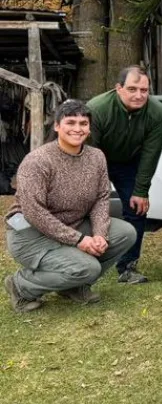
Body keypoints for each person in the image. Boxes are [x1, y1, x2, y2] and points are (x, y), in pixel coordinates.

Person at [4, 100, 137, 313]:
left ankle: (73, 286)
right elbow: (34, 212)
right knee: (88, 267)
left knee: (126, 233)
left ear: (89, 128)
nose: (78, 128)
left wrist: (100, 234)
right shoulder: (37, 161)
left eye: (83, 123)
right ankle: (21, 286)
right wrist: (79, 240)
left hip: (72, 225)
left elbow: (101, 198)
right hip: (31, 234)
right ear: (57, 126)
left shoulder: (96, 157)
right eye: (71, 122)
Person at [87, 66, 162, 284]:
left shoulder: (157, 112)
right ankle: (84, 262)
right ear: (118, 88)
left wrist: (141, 191)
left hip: (130, 162)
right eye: (132, 89)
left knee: (137, 208)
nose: (139, 95)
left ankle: (128, 267)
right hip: (97, 161)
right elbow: (89, 152)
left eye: (144, 90)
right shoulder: (97, 108)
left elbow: (151, 154)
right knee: (85, 207)